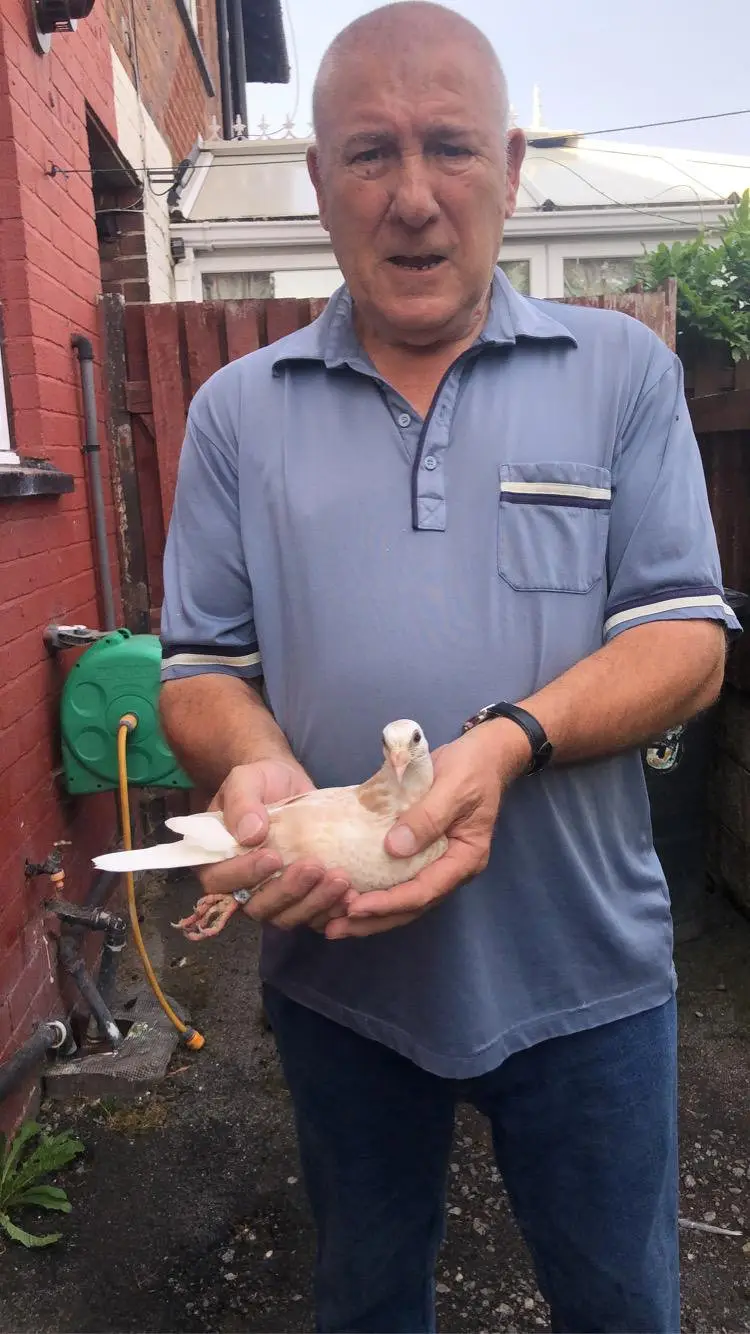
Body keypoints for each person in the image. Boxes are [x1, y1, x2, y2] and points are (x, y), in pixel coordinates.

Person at [158, 4, 739, 1330]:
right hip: (340, 981)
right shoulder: (238, 416)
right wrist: (255, 768)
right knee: (365, 1299)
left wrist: (503, 741)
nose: (413, 197)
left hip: (585, 977)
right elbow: (196, 668)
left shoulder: (621, 376)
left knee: (621, 1305)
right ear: (317, 181)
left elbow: (685, 643)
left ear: (511, 163)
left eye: (449, 148)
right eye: (368, 153)